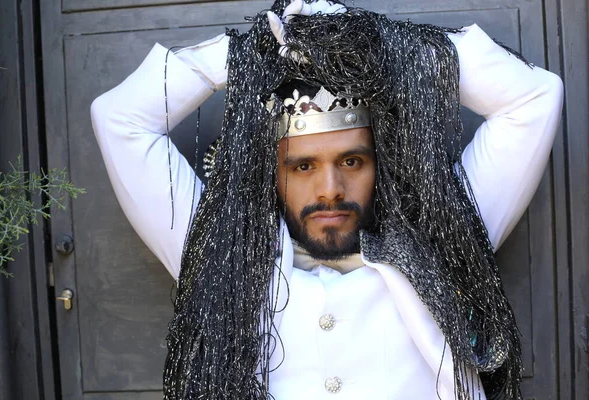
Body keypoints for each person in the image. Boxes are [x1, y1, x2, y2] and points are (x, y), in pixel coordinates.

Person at [90, 1, 563, 399]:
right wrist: (247, 54)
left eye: (352, 161)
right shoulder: (221, 256)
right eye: (303, 167)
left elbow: (534, 97)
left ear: (381, 164)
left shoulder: (444, 240)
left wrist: (381, 45)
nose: (330, 188)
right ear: (271, 174)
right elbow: (118, 119)